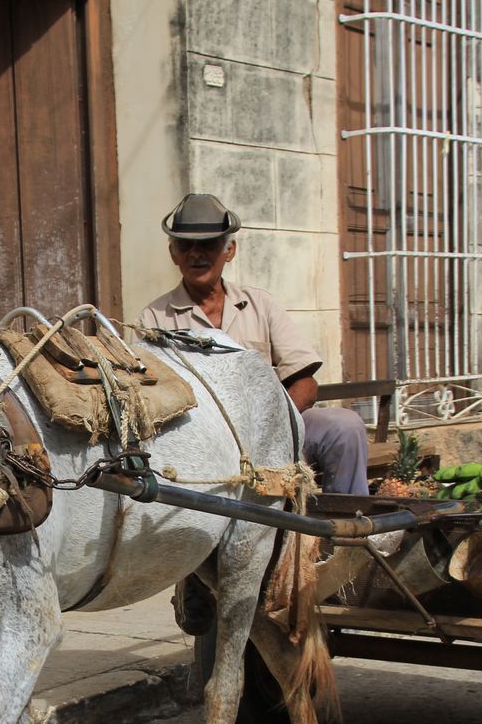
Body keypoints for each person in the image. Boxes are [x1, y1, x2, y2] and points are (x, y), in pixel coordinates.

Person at [139, 193, 370, 497]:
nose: (196, 254)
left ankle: (347, 531)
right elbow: (149, 399)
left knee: (344, 426)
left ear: (229, 250)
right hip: (205, 442)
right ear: (173, 253)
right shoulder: (154, 317)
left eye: (208, 244)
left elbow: (305, 383)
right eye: (185, 245)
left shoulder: (260, 304)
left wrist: (271, 428)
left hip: (277, 431)